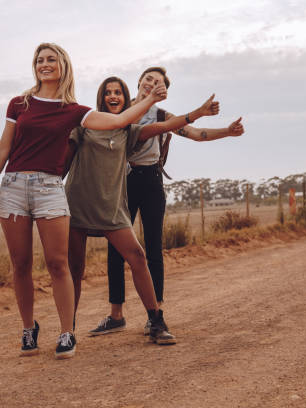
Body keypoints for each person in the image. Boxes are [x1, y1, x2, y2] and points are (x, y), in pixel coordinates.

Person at [0, 43, 167, 359]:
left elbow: (118, 122)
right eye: (39, 59)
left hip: (50, 188)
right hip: (13, 186)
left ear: (63, 66)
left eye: (51, 59)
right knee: (20, 264)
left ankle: (67, 334)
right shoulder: (19, 103)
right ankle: (28, 330)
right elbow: (3, 148)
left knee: (57, 263)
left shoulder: (73, 111)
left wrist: (149, 98)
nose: (44, 64)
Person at [89, 67, 244, 337]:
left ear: (164, 91)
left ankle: (155, 314)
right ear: (139, 83)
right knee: (115, 248)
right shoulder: (121, 110)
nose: (151, 83)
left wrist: (227, 131)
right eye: (148, 79)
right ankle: (116, 315)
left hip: (149, 180)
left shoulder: (162, 116)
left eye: (158, 82)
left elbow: (196, 134)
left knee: (153, 247)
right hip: (120, 183)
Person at [66, 76, 221, 344]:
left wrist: (198, 113)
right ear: (101, 98)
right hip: (77, 204)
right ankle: (67, 331)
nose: (113, 96)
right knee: (75, 269)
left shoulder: (130, 132)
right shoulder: (82, 129)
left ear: (126, 100)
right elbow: (60, 160)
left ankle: (156, 321)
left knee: (138, 256)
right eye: (108, 92)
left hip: (110, 207)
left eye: (118, 93)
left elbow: (167, 125)